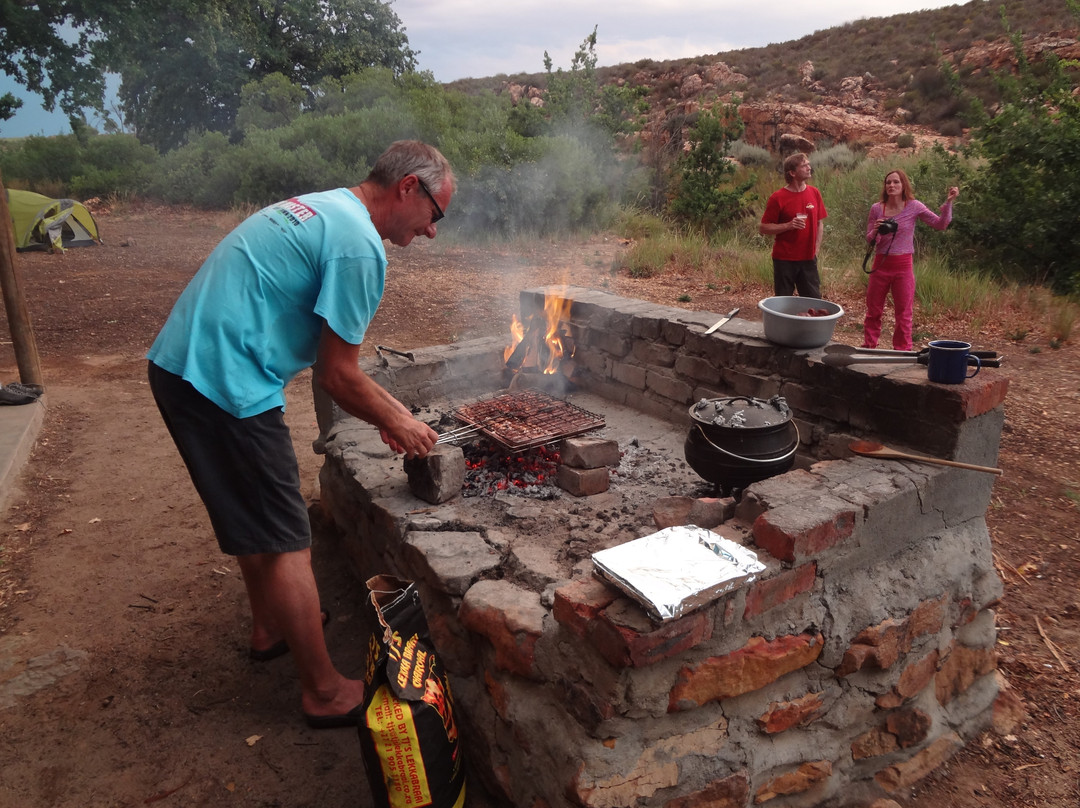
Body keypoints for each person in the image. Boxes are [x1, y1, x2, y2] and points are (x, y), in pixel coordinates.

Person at [146, 140, 452, 729]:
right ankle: (322, 690)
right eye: (436, 214)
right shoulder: (361, 248)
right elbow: (337, 375)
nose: (434, 232)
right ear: (408, 188)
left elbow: (341, 370)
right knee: (287, 536)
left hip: (181, 365)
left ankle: (269, 629)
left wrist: (397, 413)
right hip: (225, 382)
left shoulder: (327, 206)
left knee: (252, 517)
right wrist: (396, 420)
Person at [862, 169, 959, 351]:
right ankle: (868, 346)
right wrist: (876, 231)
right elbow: (869, 239)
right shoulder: (877, 208)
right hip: (880, 264)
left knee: (904, 312)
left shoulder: (914, 206)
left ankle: (902, 349)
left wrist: (949, 203)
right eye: (888, 182)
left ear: (903, 184)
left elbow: (940, 224)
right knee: (873, 310)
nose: (891, 185)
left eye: (896, 182)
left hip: (903, 266)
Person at [759, 152, 827, 298]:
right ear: (792, 172)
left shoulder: (814, 193)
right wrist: (788, 225)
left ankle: (807, 322)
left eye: (808, 164)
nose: (809, 167)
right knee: (783, 302)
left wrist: (817, 249)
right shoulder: (778, 197)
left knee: (813, 301)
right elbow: (764, 228)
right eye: (804, 166)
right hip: (784, 260)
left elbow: (819, 223)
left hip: (808, 259)